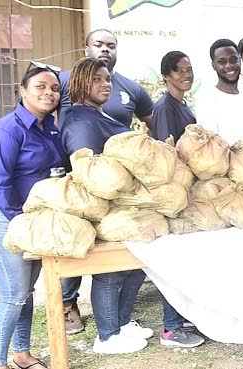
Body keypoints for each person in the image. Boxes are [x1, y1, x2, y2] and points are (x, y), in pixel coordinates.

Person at [59, 30, 155, 333]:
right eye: (96, 80)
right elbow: (88, 172)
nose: (105, 84)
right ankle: (109, 335)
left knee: (135, 267)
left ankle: (122, 325)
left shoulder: (98, 114)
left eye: (107, 79)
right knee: (110, 274)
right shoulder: (80, 121)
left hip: (124, 204)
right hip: (105, 208)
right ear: (79, 83)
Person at [0, 62, 64, 369]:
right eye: (40, 86)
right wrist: (20, 220)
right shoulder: (6, 130)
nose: (48, 93)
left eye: (54, 88)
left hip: (36, 219)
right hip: (6, 219)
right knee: (13, 294)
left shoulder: (49, 127)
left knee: (27, 293)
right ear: (23, 91)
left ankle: (22, 354)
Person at [58, 29, 153, 130]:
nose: (105, 49)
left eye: (111, 47)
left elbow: (156, 125)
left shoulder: (133, 88)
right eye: (98, 45)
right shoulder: (62, 81)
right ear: (86, 50)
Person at [195, 38, 243, 145]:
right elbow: (211, 147)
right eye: (222, 62)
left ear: (240, 60)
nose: (229, 65)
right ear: (213, 66)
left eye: (233, 59)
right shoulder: (206, 101)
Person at [151, 51, 195, 142]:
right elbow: (166, 146)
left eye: (189, 69)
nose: (187, 75)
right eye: (179, 70)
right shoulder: (164, 107)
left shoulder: (182, 104)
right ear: (166, 76)